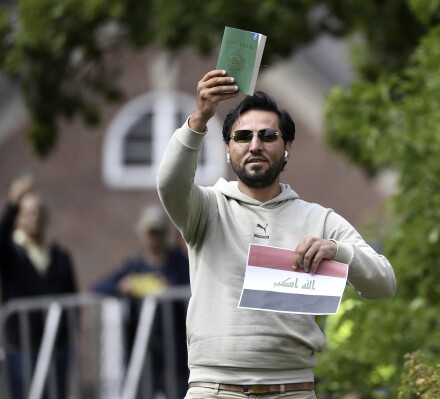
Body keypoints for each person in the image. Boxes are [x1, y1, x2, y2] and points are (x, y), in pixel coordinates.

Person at [156, 70, 396, 399]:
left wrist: (337, 250)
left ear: (287, 148)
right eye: (242, 137)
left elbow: (384, 283)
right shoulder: (207, 208)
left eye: (268, 136)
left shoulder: (318, 219)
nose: (255, 145)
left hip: (293, 389)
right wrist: (199, 118)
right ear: (228, 149)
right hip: (214, 389)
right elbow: (169, 184)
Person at [0, 175, 78, 399]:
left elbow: (72, 299)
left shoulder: (60, 255)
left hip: (56, 350)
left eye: (38, 212)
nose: (34, 217)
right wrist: (12, 202)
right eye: (28, 212)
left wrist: (67, 339)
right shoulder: (11, 253)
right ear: (18, 218)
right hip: (21, 351)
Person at [92, 205, 190, 398]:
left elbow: (195, 286)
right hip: (143, 351)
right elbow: (99, 288)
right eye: (150, 232)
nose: (154, 238)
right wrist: (122, 286)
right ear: (141, 234)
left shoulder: (179, 264)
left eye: (158, 232)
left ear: (165, 234)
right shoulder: (134, 266)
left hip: (177, 351)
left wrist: (171, 288)